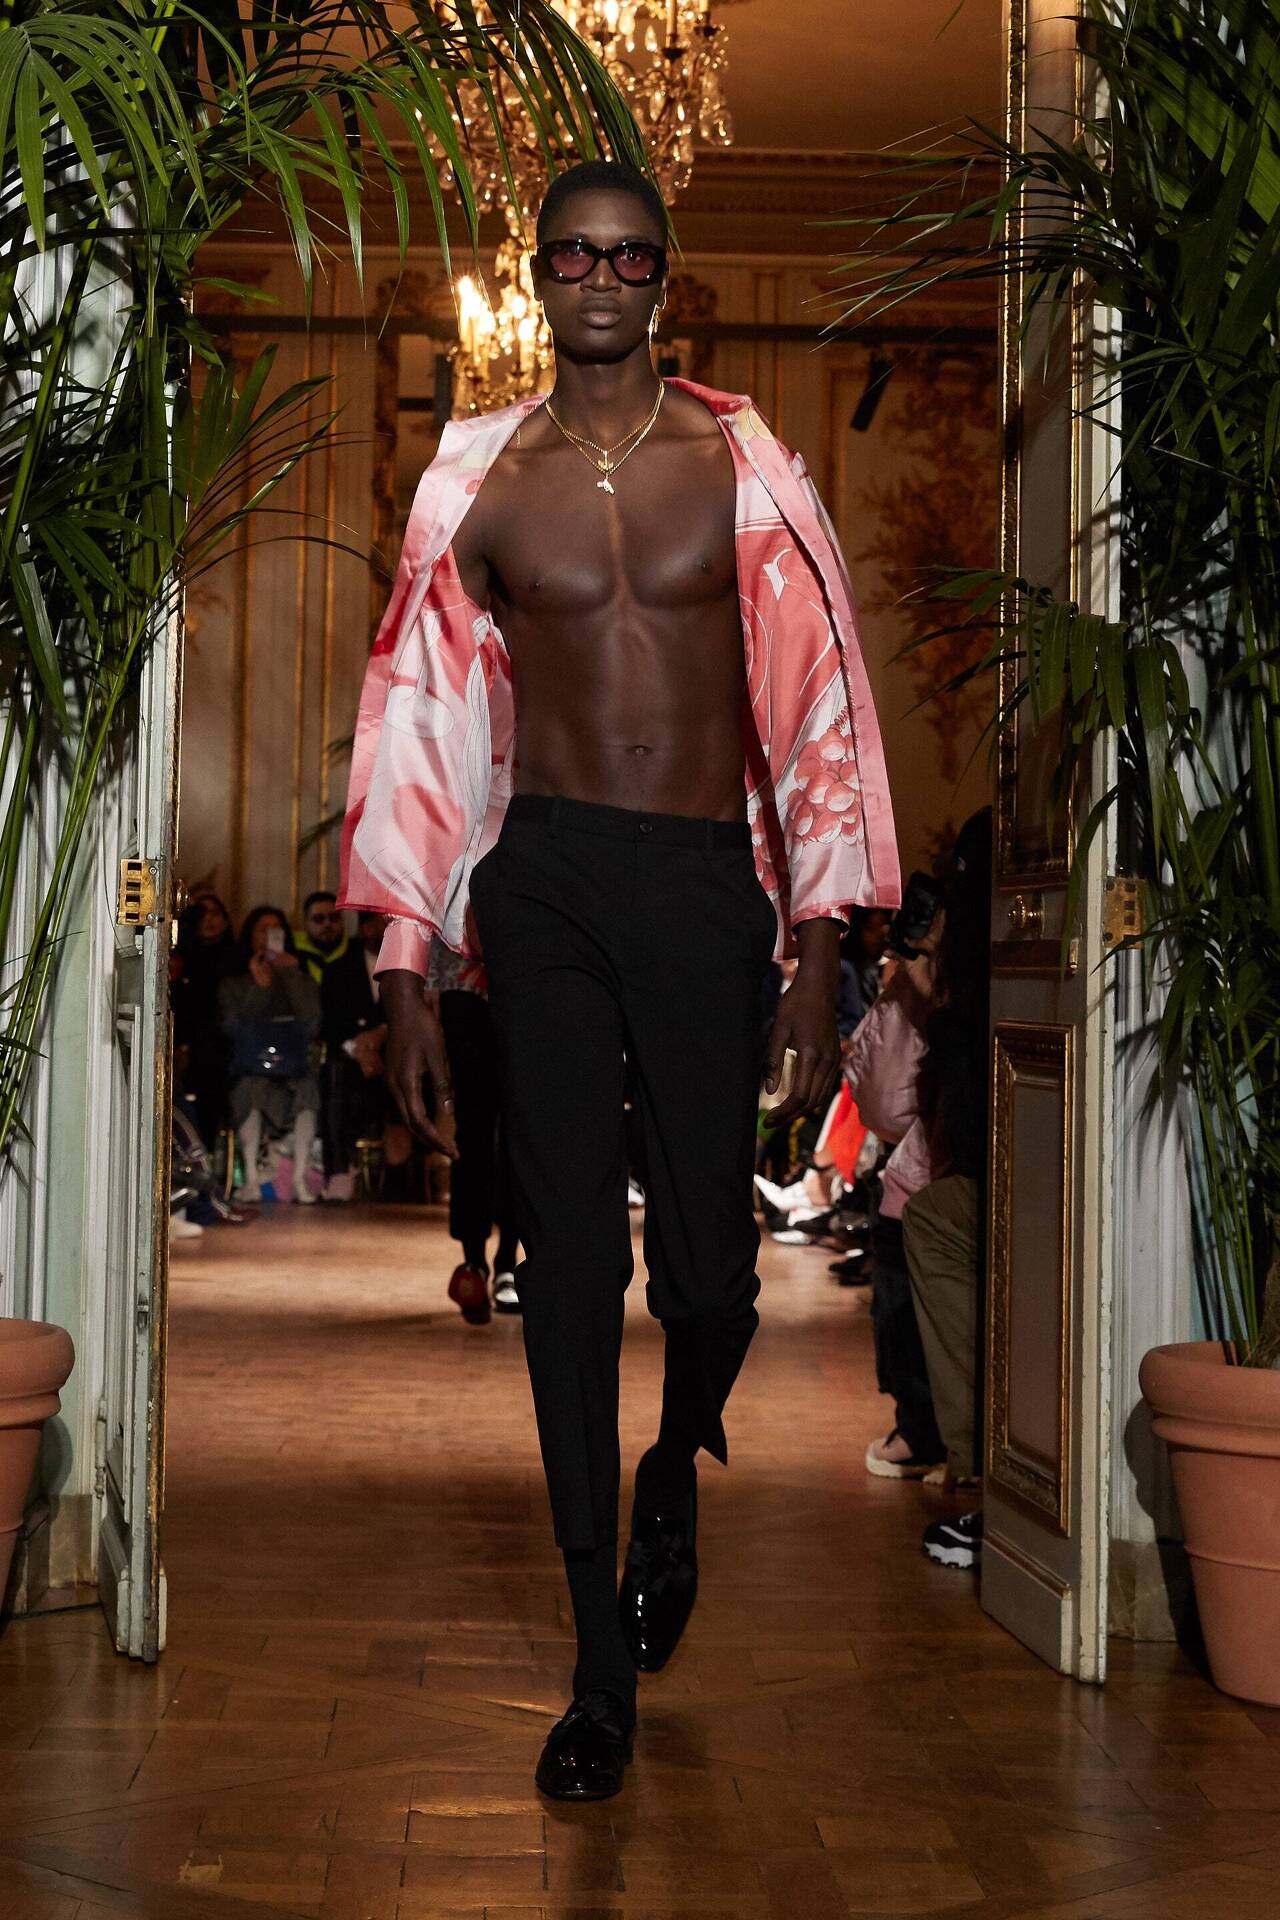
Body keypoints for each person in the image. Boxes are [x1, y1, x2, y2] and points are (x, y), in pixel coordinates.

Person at [339, 158, 900, 1800]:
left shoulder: (743, 467)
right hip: (552, 879)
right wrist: (407, 965)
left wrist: (816, 951)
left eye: (629, 255)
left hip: (706, 885)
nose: (600, 276)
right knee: (574, 1271)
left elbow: (816, 710)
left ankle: (673, 1469)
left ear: (667, 277)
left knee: (713, 1285)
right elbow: (423, 722)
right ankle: (598, 1670)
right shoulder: (479, 480)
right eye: (573, 253)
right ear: (538, 272)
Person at [426, 935, 522, 1325]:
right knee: (472, 1135)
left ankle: (508, 1261)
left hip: (523, 989)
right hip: (462, 991)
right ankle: (473, 1262)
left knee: (520, 1137)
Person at [220, 905, 322, 1205]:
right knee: (250, 1092)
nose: (269, 936)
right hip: (251, 1069)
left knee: (307, 1091)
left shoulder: (298, 975)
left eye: (275, 930)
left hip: (293, 1068)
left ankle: (299, 1178)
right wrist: (259, 986)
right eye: (262, 930)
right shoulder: (233, 982)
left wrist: (290, 974)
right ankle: (251, 1179)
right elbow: (233, 1025)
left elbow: (312, 1021)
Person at [319, 908, 392, 1199]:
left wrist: (380, 1038)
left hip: (393, 1056)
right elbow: (331, 1024)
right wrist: (359, 1050)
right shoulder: (339, 969)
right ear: (366, 928)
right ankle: (339, 1169)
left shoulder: (406, 967)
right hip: (352, 1059)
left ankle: (399, 1175)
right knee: (334, 1072)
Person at [171, 890, 238, 1151]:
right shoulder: (181, 957)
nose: (208, 920)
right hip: (183, 1041)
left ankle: (204, 1152)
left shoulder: (236, 958)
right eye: (201, 914)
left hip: (220, 1046)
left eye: (215, 913)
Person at [294, 890, 349, 986]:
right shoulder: (292, 952)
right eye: (318, 919)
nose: (327, 924)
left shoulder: (359, 953)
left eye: (333, 918)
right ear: (305, 923)